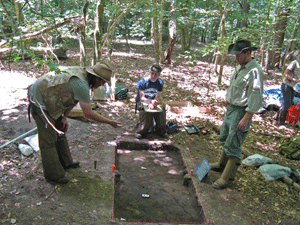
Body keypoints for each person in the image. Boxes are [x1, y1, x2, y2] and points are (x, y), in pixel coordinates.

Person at [28, 62, 123, 184]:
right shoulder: (81, 84)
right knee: (48, 140)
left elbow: (74, 99)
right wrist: (110, 122)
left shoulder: (83, 77)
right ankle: (54, 175)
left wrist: (64, 117)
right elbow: (88, 113)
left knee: (60, 129)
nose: (102, 85)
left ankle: (66, 162)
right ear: (96, 78)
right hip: (40, 97)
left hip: (53, 98)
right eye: (103, 82)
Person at [210, 39, 264, 189]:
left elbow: (255, 96)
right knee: (226, 136)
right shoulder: (240, 67)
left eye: (239, 55)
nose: (236, 57)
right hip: (231, 108)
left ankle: (226, 178)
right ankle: (221, 164)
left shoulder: (255, 71)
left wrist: (247, 117)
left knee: (234, 143)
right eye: (235, 55)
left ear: (248, 53)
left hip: (241, 111)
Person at [135, 64, 167, 139]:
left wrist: (155, 102)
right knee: (146, 114)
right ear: (149, 73)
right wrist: (149, 103)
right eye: (152, 73)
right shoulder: (143, 81)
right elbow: (142, 97)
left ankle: (160, 132)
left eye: (156, 74)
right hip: (143, 102)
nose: (153, 76)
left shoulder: (160, 83)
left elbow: (158, 96)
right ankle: (140, 131)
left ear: (159, 75)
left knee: (162, 112)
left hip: (152, 102)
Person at [274, 52, 300, 125]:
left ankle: (276, 117)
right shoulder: (294, 63)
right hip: (287, 85)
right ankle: (280, 122)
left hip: (294, 87)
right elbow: (285, 74)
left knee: (289, 102)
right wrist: (294, 80)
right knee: (287, 103)